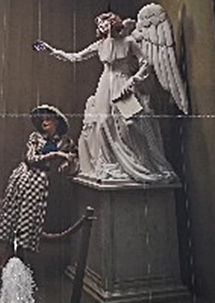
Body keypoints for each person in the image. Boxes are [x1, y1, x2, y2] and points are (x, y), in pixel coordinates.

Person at [34, 11, 178, 183]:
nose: (101, 26)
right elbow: (76, 57)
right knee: (102, 123)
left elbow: (146, 63)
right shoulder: (100, 45)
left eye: (104, 22)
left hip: (123, 84)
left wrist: (133, 81)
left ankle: (138, 162)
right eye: (99, 25)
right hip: (105, 85)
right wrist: (52, 50)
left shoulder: (128, 42)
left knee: (129, 124)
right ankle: (111, 166)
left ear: (113, 23)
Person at [0, 105, 76, 295]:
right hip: (22, 179)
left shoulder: (65, 143)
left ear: (57, 122)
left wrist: (68, 163)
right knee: (10, 227)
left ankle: (19, 278)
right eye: (42, 119)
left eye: (49, 119)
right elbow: (31, 158)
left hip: (39, 186)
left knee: (26, 231)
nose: (44, 122)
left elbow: (61, 169)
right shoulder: (35, 137)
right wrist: (58, 155)